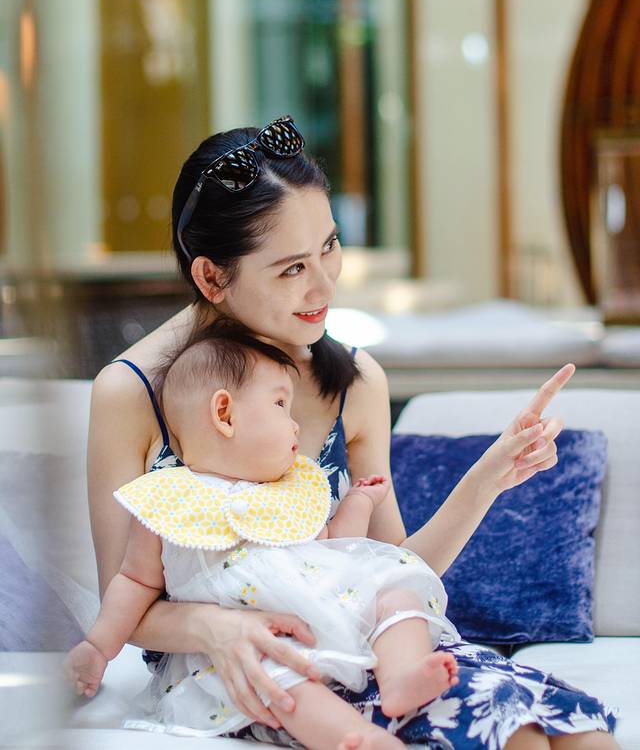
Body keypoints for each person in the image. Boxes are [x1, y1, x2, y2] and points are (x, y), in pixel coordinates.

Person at [88, 115, 618, 748]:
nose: (324, 284)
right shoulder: (132, 393)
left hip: (368, 650)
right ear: (211, 277)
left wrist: (487, 479)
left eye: (329, 246)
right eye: (291, 268)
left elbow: (390, 568)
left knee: (581, 736)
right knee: (519, 741)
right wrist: (218, 628)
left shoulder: (357, 380)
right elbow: (126, 602)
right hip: (265, 676)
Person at [67, 323, 461, 748]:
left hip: (331, 609)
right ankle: (356, 737)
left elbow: (335, 546)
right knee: (278, 685)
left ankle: (401, 677)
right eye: (280, 405)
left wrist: (359, 503)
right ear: (225, 414)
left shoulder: (288, 489)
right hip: (253, 645)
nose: (295, 425)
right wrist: (98, 647)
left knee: (396, 596)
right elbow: (134, 581)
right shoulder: (167, 500)